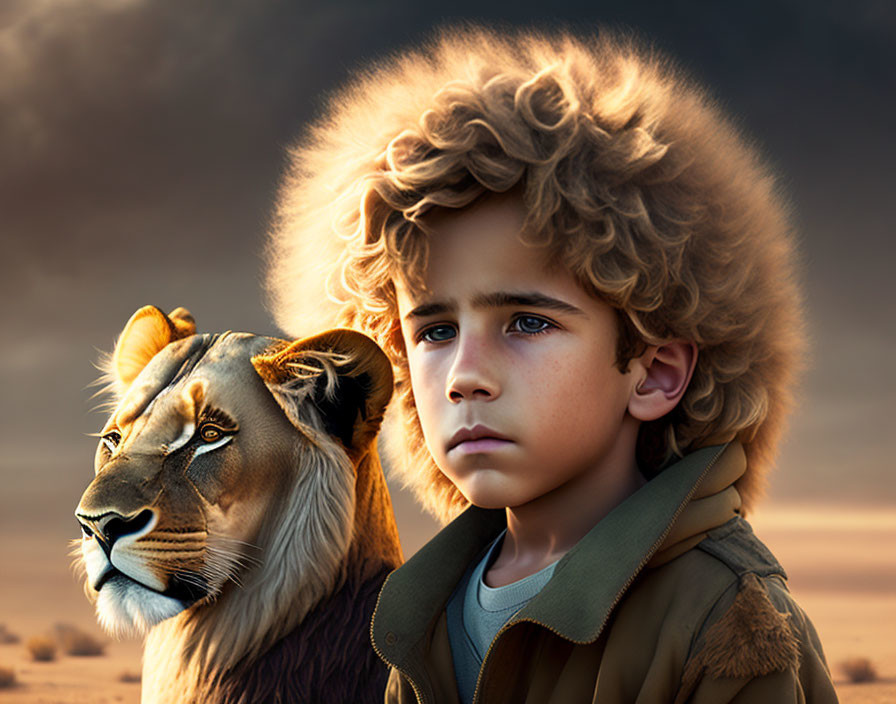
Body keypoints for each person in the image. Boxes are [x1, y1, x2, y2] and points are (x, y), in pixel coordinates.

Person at [266, 25, 839, 704]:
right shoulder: (422, 613)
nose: (464, 375)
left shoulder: (726, 622)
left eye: (528, 323)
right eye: (437, 330)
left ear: (655, 373)